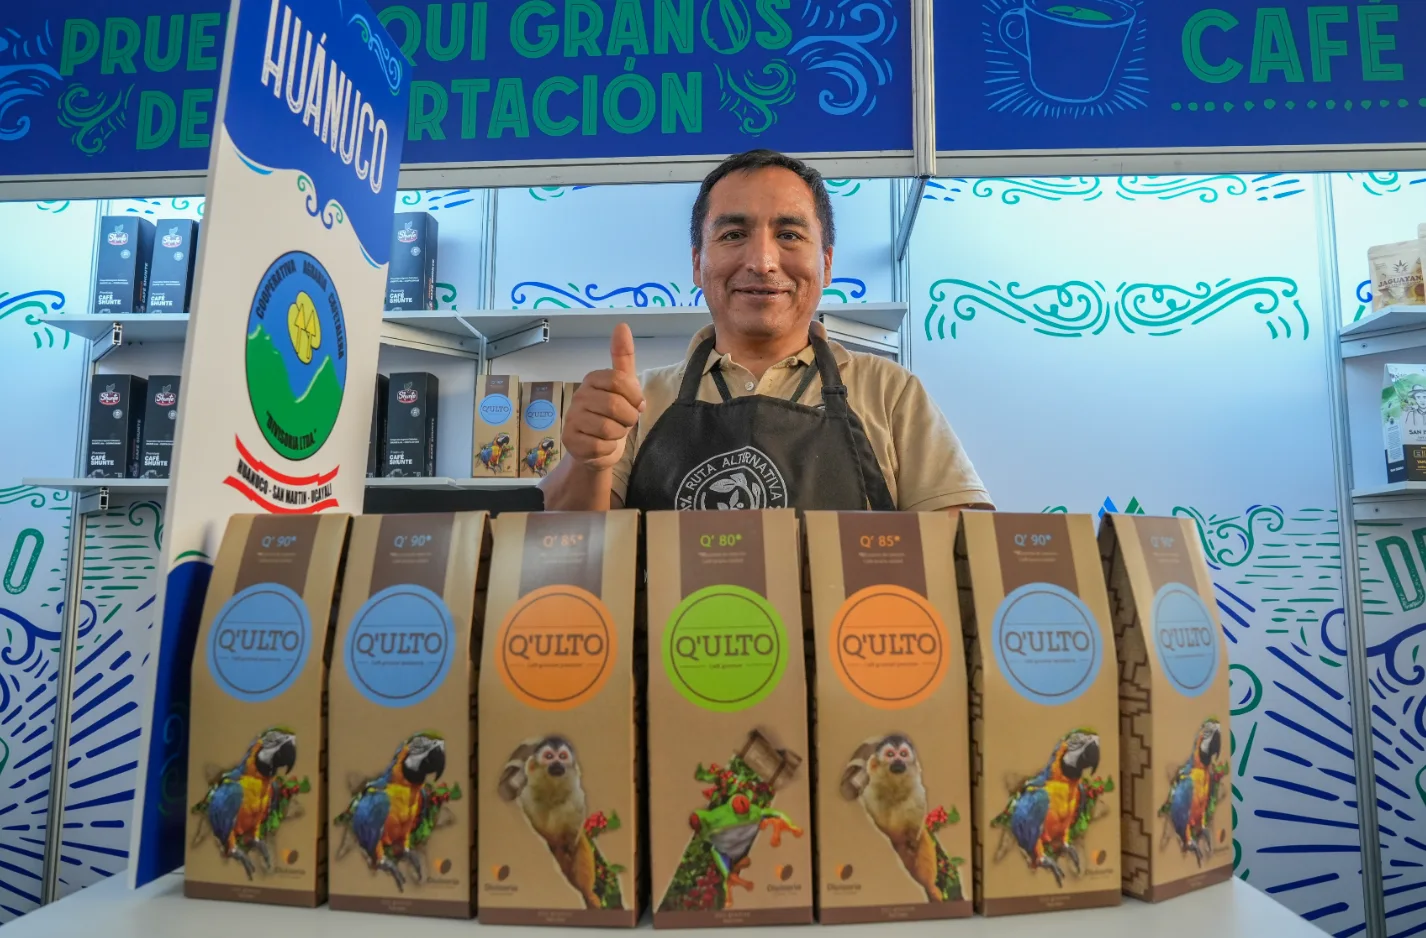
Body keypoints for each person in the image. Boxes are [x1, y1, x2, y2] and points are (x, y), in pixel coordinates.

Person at [540, 149, 992, 514]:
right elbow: (571, 553)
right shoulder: (636, 402)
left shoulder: (889, 392)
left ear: (827, 262)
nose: (762, 261)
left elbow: (963, 553)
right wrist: (588, 462)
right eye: (733, 235)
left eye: (789, 235)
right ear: (697, 263)